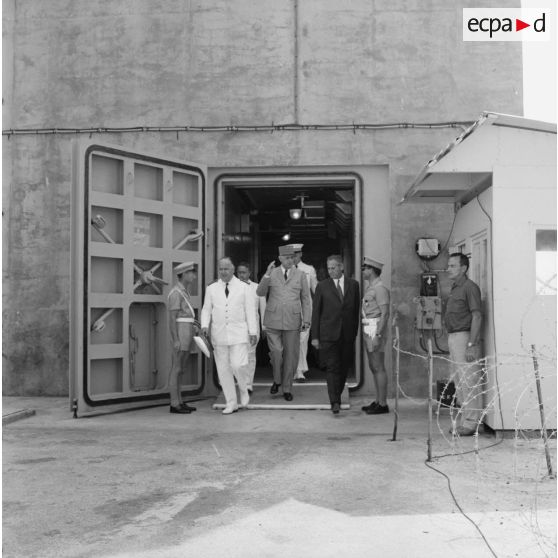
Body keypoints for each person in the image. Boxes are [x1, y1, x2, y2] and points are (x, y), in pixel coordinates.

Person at [201, 257, 257, 414]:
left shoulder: (244, 287)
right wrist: (205, 325)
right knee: (223, 370)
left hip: (239, 333)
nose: (223, 272)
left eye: (226, 269)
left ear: (233, 270)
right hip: (219, 335)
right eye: (221, 269)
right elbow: (206, 309)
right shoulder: (211, 288)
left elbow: (250, 311)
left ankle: (244, 388)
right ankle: (231, 402)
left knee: (238, 365)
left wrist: (253, 332)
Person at [256, 244, 312, 401]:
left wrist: (306, 319)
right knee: (276, 353)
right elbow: (260, 292)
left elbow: (306, 299)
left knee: (291, 357)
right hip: (273, 320)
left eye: (292, 258)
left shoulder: (300, 274)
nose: (290, 260)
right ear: (280, 258)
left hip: (293, 321)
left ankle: (286, 388)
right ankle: (277, 380)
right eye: (287, 258)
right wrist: (266, 276)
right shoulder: (272, 273)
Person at [311, 255, 360, 414]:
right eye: (328, 268)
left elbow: (355, 311)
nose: (330, 271)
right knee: (332, 367)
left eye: (333, 268)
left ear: (341, 267)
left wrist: (354, 333)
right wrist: (315, 337)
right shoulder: (322, 286)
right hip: (328, 334)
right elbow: (316, 313)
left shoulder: (354, 285)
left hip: (347, 334)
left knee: (344, 367)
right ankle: (335, 401)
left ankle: (337, 393)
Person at [445, 252, 483, 436]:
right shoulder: (455, 288)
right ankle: (464, 421)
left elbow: (477, 315)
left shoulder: (470, 288)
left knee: (469, 380)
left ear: (463, 268)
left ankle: (470, 424)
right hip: (454, 336)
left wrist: (471, 344)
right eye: (449, 265)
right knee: (459, 381)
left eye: (452, 266)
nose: (448, 269)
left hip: (464, 337)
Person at [167, 261, 199, 414]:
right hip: (181, 332)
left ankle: (179, 401)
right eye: (191, 272)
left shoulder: (183, 291)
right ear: (184, 274)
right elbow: (172, 318)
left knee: (181, 369)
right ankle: (174, 403)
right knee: (176, 368)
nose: (194, 275)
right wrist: (175, 340)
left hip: (186, 331)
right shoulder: (176, 293)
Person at [360, 257, 391, 415]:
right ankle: (378, 400)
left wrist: (378, 334)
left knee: (378, 366)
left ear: (371, 270)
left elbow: (385, 314)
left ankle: (383, 403)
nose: (363, 271)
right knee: (373, 366)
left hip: (375, 328)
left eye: (365, 268)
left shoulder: (380, 289)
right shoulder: (371, 287)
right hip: (369, 327)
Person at [236, 261, 267, 393]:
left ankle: (248, 384)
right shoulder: (231, 287)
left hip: (252, 328)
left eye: (243, 272)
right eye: (239, 272)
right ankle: (240, 381)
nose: (241, 275)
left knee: (250, 355)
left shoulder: (257, 287)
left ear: (249, 273)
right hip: (236, 328)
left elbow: (263, 308)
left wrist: (264, 327)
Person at [291, 243, 318, 382]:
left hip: (305, 311)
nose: (294, 256)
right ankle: (291, 368)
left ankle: (300, 370)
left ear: (300, 254)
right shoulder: (284, 270)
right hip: (288, 311)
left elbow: (316, 290)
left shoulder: (309, 269)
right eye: (292, 254)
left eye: (297, 254)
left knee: (302, 340)